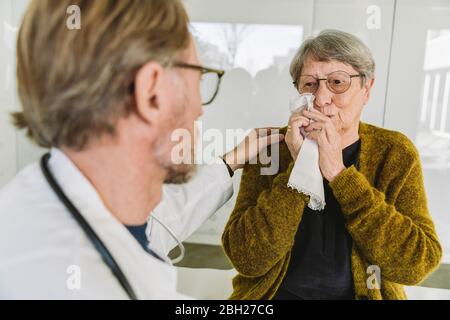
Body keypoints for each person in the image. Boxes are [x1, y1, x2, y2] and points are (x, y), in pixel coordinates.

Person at [0, 0, 283, 299]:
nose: (199, 109)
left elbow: (158, 223)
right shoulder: (76, 284)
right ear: (151, 92)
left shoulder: (55, 202)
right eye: (198, 78)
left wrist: (231, 162)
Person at [222, 29, 442, 300]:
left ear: (367, 89)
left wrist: (340, 176)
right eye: (310, 84)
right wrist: (300, 168)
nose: (322, 98)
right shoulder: (271, 149)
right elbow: (246, 259)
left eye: (338, 82)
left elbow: (416, 264)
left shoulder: (395, 153)